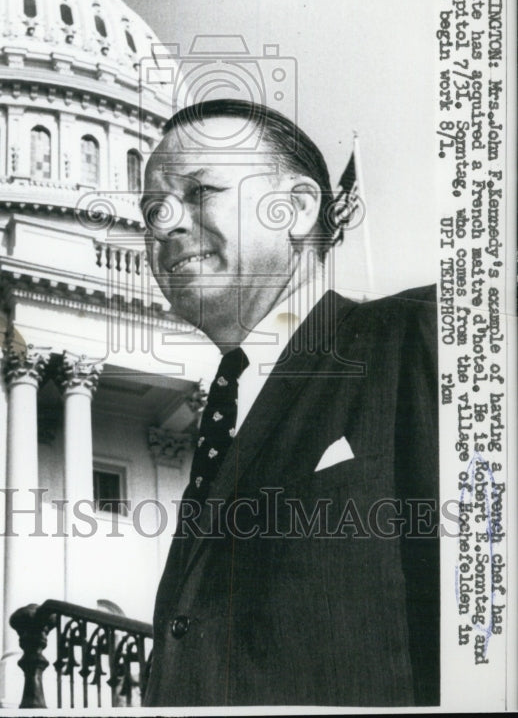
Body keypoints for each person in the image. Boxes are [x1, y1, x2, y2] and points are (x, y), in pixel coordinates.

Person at [140, 99, 438, 708]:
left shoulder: (420, 334)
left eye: (199, 193)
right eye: (152, 209)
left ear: (297, 210)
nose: (165, 223)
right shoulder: (226, 415)